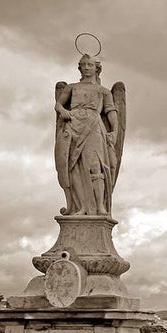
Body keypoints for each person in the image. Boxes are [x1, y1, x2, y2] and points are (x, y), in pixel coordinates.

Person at [54, 54, 122, 216]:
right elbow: (58, 104)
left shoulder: (103, 91)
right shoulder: (72, 87)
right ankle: (81, 207)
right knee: (74, 166)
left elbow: (111, 112)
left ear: (96, 68)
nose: (86, 67)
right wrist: (63, 111)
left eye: (89, 65)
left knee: (95, 165)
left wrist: (115, 131)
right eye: (83, 65)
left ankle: (99, 206)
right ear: (80, 67)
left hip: (93, 125)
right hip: (73, 123)